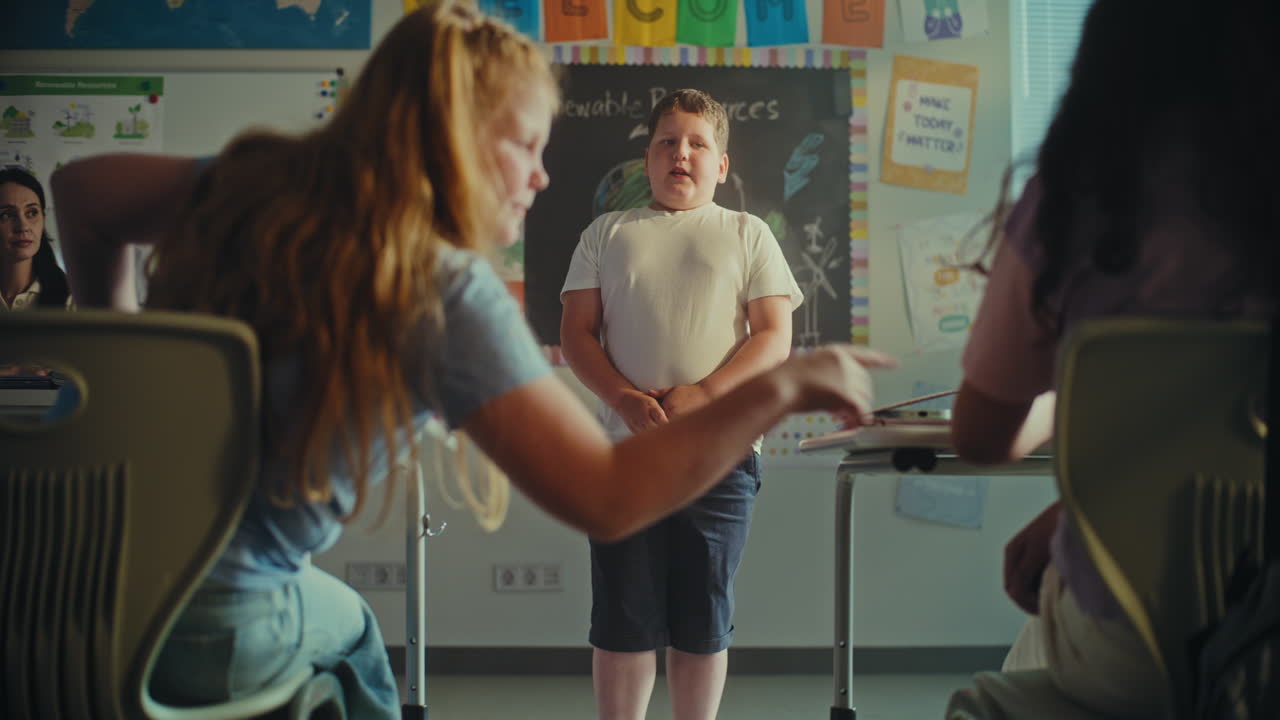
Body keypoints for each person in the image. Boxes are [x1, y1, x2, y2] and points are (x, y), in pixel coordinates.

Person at [51, 3, 894, 717]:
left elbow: (81, 194)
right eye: (523, 145)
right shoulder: (442, 291)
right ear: (452, 136)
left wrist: (125, 361)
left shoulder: (257, 182)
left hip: (77, 590)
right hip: (219, 620)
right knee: (359, 652)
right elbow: (607, 500)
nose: (540, 176)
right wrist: (782, 385)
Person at [946, 0, 1278, 716]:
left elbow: (979, 435)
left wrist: (1073, 403)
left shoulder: (1074, 203)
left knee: (1018, 668)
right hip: (1267, 634)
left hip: (1129, 652)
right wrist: (1076, 506)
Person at [560, 88, 801, 720]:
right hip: (623, 454)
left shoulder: (748, 234)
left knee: (703, 618)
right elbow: (576, 333)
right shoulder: (606, 233)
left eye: (698, 143)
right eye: (667, 141)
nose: (681, 154)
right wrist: (623, 398)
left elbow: (775, 335)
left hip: (718, 456)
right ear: (647, 159)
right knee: (623, 618)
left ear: (722, 165)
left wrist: (706, 395)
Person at [0, 167, 71, 312]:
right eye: (7, 215)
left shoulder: (71, 297)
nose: (23, 226)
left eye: (32, 212)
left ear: (43, 219)